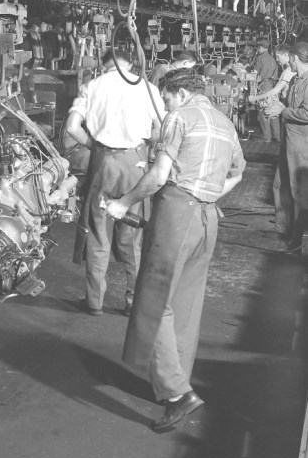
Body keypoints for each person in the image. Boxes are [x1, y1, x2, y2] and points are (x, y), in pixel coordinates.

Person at [105, 66, 245, 433]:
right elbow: (237, 174)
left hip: (176, 214)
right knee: (186, 305)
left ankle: (177, 394)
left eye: (166, 98)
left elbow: (158, 176)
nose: (165, 105)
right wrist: (206, 196)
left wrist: (123, 203)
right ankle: (176, 381)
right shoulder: (225, 123)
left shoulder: (179, 117)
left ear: (180, 94)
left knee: (153, 302)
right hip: (207, 219)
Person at [65, 47, 165, 316]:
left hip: (103, 163)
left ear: (103, 65)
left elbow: (72, 127)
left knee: (98, 230)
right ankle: (133, 301)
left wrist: (95, 146)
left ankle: (94, 302)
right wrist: (144, 142)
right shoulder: (147, 88)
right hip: (136, 163)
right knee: (132, 232)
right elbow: (162, 129)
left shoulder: (91, 86)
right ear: (129, 65)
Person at [265, 40, 308, 252]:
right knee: (280, 184)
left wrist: (283, 111)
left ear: (294, 57)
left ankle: (297, 238)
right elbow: (291, 106)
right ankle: (284, 228)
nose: (287, 62)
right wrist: (277, 107)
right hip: (289, 139)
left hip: (300, 143)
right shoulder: (295, 80)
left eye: (289, 58)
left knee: (298, 190)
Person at [250, 44, 294, 143]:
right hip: (274, 85)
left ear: (286, 55)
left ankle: (267, 137)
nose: (277, 60)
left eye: (278, 57)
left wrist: (254, 97)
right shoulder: (275, 62)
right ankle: (277, 136)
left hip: (266, 86)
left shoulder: (287, 71)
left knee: (264, 109)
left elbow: (275, 90)